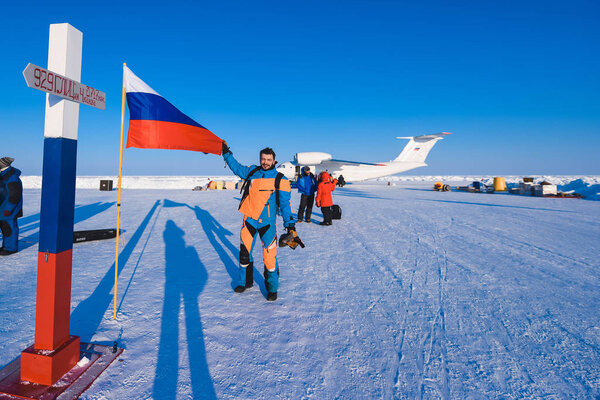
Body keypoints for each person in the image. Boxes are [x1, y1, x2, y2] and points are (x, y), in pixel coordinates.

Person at [221, 142, 299, 301]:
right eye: (263, 159)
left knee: (269, 258)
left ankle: (272, 289)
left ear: (274, 161)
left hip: (267, 224)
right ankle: (245, 282)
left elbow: (285, 204)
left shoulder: (280, 180)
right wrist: (226, 153)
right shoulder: (252, 172)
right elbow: (236, 167)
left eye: (268, 159)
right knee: (244, 254)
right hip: (249, 220)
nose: (265, 162)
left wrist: (290, 224)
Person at [0, 157, 23, 255]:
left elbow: (14, 195)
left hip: (9, 209)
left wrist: (8, 209)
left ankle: (11, 248)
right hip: (3, 207)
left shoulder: (12, 177)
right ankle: (6, 246)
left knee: (9, 228)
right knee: (5, 228)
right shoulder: (3, 174)